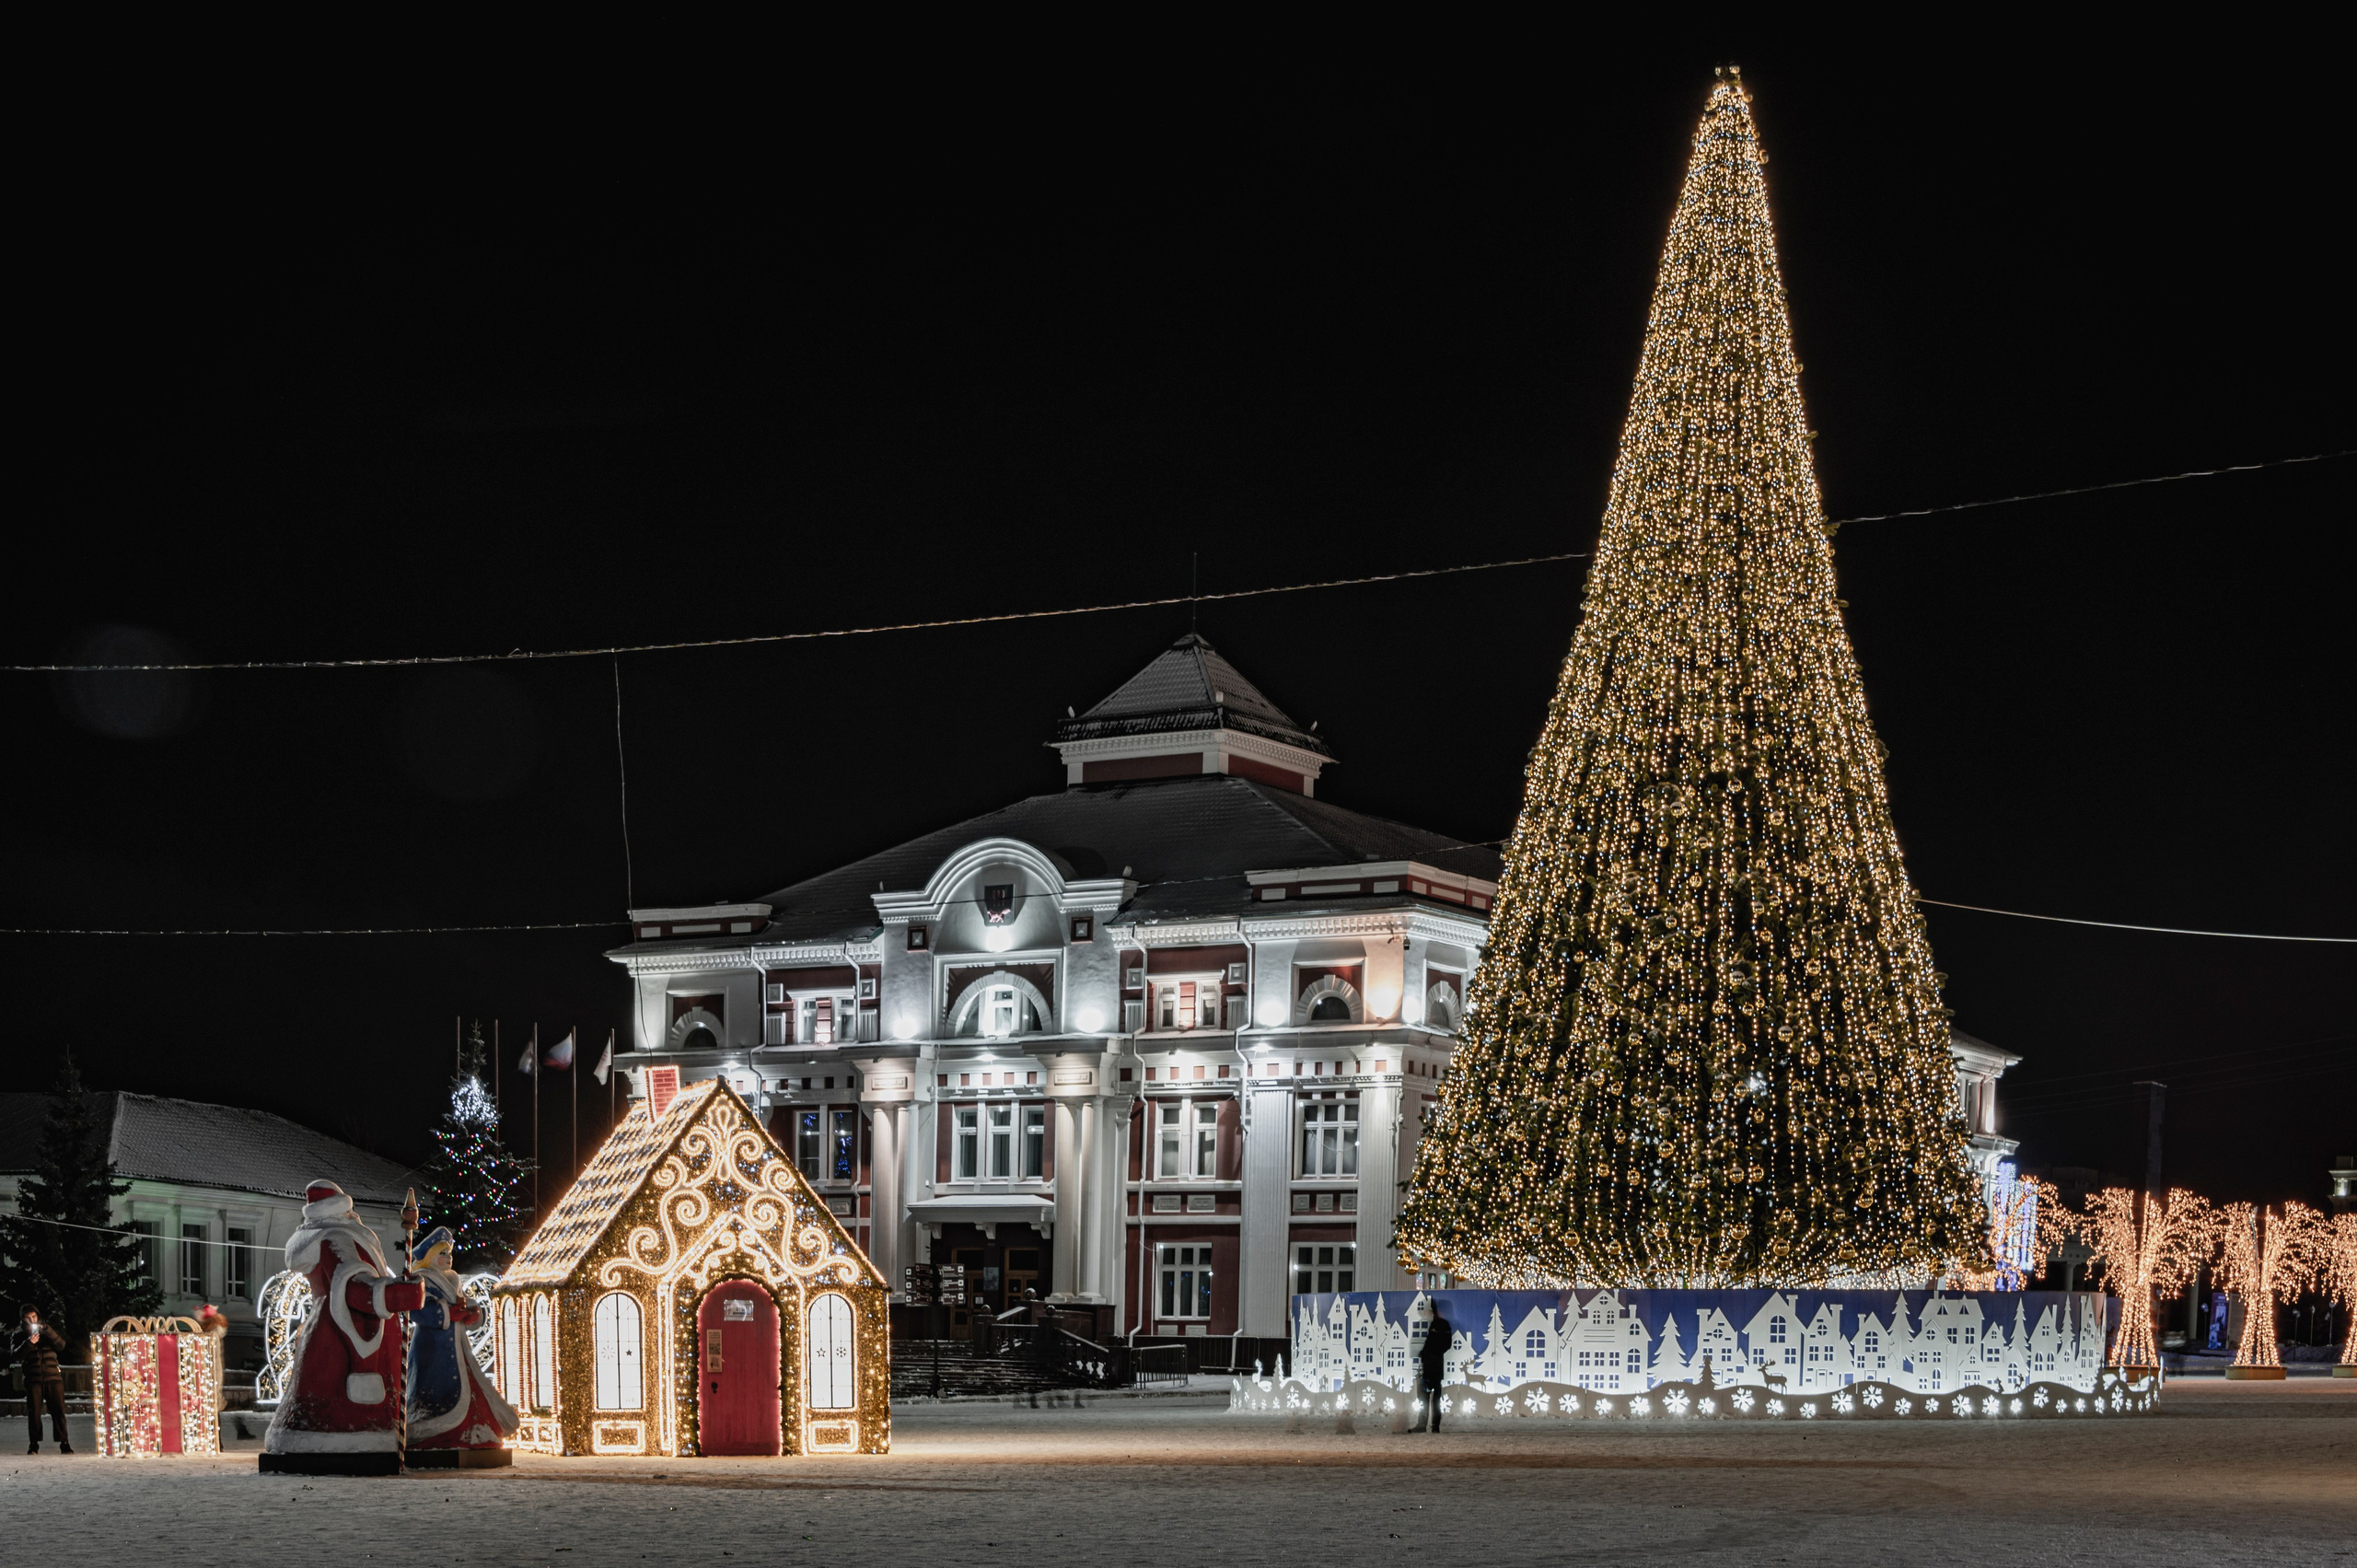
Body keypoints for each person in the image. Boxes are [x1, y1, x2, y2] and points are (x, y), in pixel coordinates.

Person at [261, 1180, 424, 1474]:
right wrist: (396, 1295)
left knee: (317, 1393)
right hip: (342, 1331)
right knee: (339, 1408)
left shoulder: (322, 1235)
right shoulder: (338, 1236)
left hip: (323, 1329)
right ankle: (344, 1438)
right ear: (344, 1208)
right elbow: (350, 1284)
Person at [401, 1226, 517, 1460]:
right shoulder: (421, 1279)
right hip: (433, 1351)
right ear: (432, 1256)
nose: (448, 1259)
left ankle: (475, 1435)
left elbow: (465, 1302)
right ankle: (436, 1435)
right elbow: (416, 1309)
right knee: (437, 1393)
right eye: (443, 1254)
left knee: (469, 1389)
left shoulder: (452, 1279)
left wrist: (472, 1314)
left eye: (450, 1254)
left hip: (458, 1350)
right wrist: (446, 1313)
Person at [17, 1306, 73, 1454]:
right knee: (34, 1412)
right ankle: (34, 1444)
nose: (31, 1320)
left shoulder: (47, 1330)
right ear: (23, 1319)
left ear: (38, 1316)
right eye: (28, 1317)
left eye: (34, 1317)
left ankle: (64, 1443)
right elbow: (16, 1355)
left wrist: (47, 1330)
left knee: (58, 1411)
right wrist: (29, 1343)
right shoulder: (19, 1334)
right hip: (33, 1379)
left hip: (53, 1377)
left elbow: (61, 1345)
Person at [1415, 1304, 1454, 1433]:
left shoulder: (1440, 1325)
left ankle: (1430, 1424)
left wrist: (1431, 1354)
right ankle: (1429, 1424)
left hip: (1434, 1367)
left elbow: (1445, 1344)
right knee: (1427, 1398)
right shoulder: (1434, 1325)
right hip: (1430, 1367)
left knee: (1429, 1398)